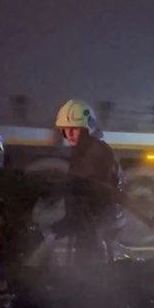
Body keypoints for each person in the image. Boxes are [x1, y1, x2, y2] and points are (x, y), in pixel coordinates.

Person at [54, 99, 126, 262]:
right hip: (90, 223)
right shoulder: (83, 150)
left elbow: (98, 193)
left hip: (101, 224)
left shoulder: (98, 153)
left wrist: (78, 221)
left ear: (88, 129)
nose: (69, 134)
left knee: (93, 270)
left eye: (75, 129)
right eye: (65, 130)